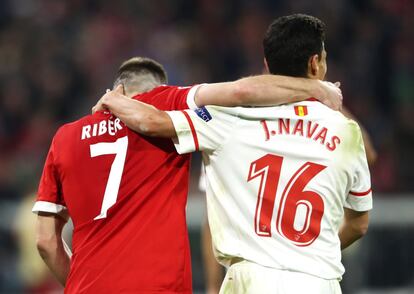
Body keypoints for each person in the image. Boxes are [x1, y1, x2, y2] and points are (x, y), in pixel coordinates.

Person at [97, 14, 372, 293]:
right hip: (319, 281)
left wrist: (114, 100)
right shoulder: (346, 130)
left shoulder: (226, 117)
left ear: (266, 66)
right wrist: (309, 256)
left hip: (251, 280)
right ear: (316, 64)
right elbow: (359, 224)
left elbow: (154, 122)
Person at [33, 56, 342, 293]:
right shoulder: (165, 102)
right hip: (159, 286)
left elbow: (46, 241)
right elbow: (241, 90)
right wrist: (314, 87)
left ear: (119, 89)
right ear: (157, 87)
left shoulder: (64, 137)